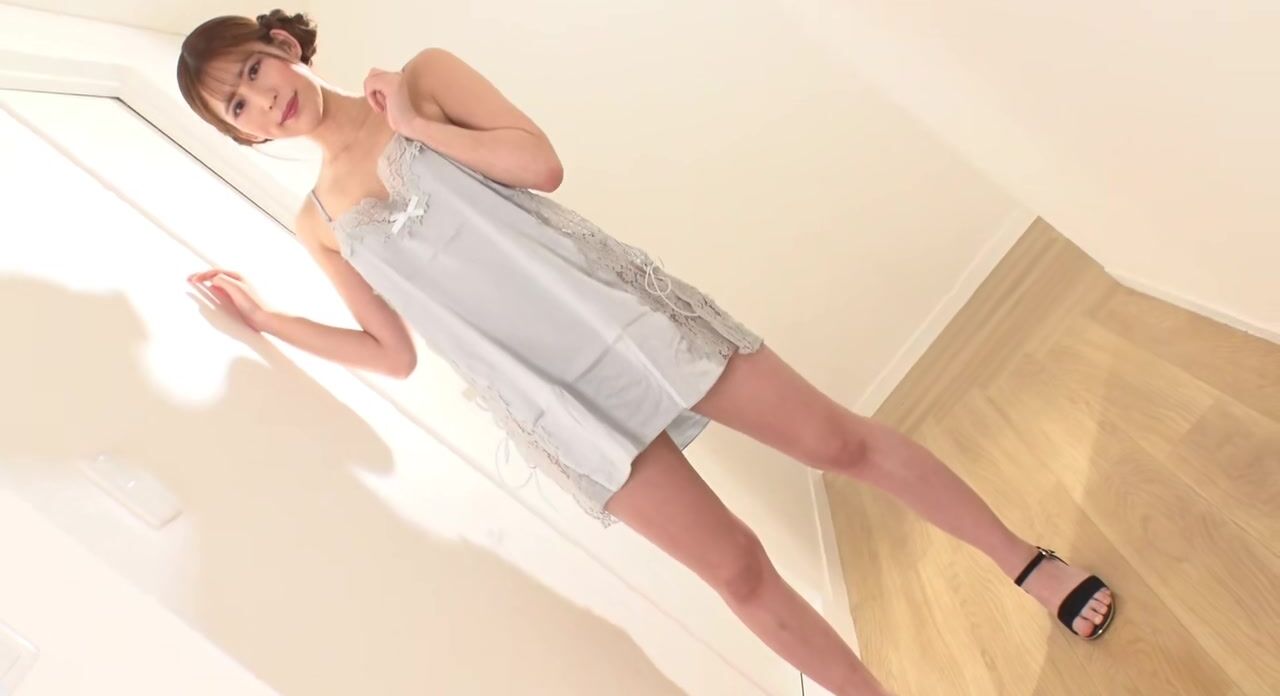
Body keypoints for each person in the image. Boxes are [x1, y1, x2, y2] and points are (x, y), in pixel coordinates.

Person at [176, 10, 1115, 695]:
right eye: (238, 104)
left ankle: (1025, 563)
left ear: (286, 44)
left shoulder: (420, 79)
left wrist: (417, 130)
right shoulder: (320, 222)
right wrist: (269, 321)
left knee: (841, 445)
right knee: (735, 570)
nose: (263, 99)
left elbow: (539, 165)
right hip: (550, 402)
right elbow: (392, 354)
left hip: (622, 314)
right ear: (239, 131)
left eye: (255, 69)